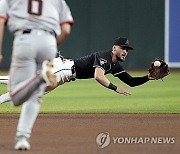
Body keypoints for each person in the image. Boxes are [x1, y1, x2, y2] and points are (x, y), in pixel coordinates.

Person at [0, 0, 74, 150]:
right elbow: (66, 30)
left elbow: (1, 20)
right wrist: (51, 44)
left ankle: (40, 78)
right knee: (35, 95)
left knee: (15, 97)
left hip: (25, 40)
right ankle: (22, 137)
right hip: (49, 42)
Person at [0, 37, 155, 104]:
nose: (125, 51)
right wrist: (116, 88)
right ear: (114, 48)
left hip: (64, 74)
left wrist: (148, 77)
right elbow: (98, 76)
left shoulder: (115, 66)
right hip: (61, 69)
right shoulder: (104, 57)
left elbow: (131, 82)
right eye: (123, 48)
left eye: (127, 50)